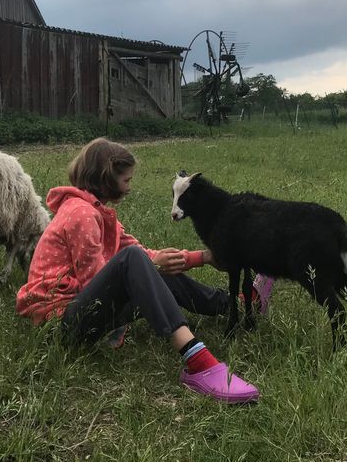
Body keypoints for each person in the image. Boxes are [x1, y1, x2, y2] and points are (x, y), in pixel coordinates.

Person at [16, 137, 269, 403]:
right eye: (126, 180)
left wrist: (204, 257)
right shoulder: (82, 215)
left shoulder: (94, 211)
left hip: (79, 309)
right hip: (60, 322)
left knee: (142, 262)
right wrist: (149, 266)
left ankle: (237, 304)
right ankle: (198, 361)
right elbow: (96, 281)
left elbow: (146, 256)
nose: (129, 188)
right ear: (106, 178)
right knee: (135, 261)